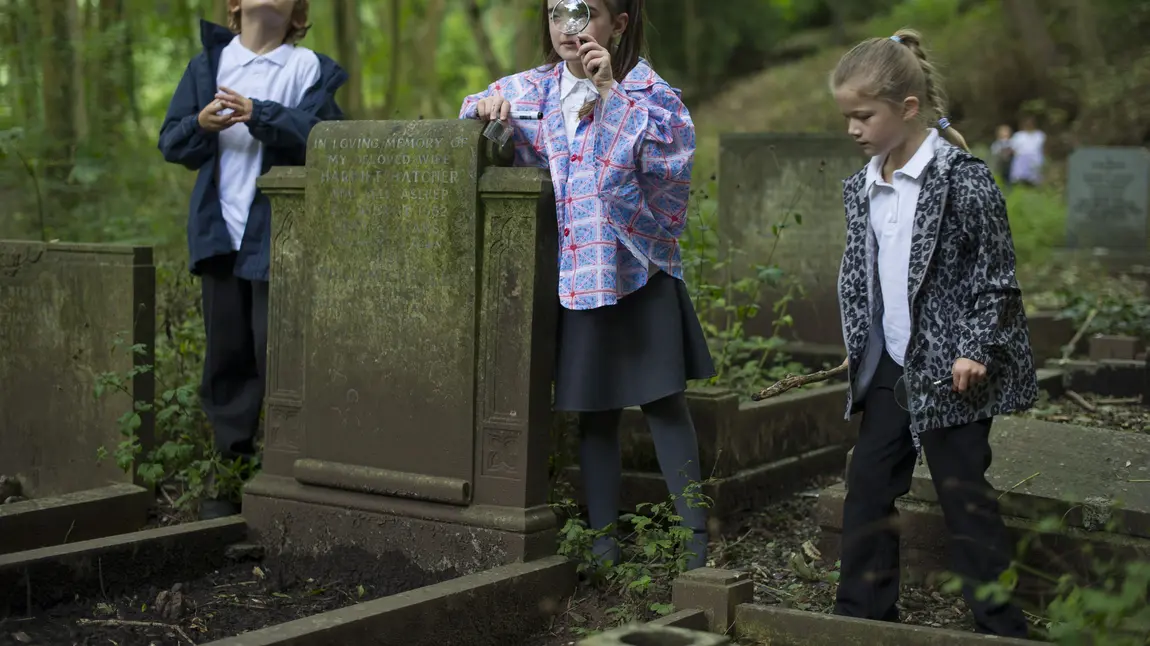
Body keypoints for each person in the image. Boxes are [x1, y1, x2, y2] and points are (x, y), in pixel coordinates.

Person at [459, 0, 714, 570]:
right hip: (576, 279)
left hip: (637, 270)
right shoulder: (536, 91)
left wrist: (609, 96)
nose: (567, 27)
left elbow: (668, 175)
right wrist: (485, 106)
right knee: (593, 410)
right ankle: (603, 547)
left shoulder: (650, 95)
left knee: (664, 402)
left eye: (585, 12)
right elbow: (473, 110)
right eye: (556, 13)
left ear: (618, 24)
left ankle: (696, 546)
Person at [829, 29, 1037, 637]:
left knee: (962, 495)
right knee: (867, 485)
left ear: (908, 108)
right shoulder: (863, 185)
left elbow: (996, 276)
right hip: (894, 366)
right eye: (847, 116)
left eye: (863, 115)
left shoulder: (962, 180)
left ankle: (1001, 626)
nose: (853, 129)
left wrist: (976, 348)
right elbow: (865, 273)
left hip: (953, 367)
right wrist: (861, 343)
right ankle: (861, 615)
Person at [158, 0, 346, 519]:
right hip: (221, 237)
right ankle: (228, 484)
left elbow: (327, 141)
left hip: (282, 242)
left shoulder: (308, 68)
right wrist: (201, 123)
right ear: (236, 4)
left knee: (282, 359)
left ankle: (291, 481)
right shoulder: (209, 67)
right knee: (226, 361)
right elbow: (172, 142)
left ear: (296, 9)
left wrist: (261, 114)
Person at [1008, 115, 1045, 187]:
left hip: (1035, 158)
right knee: (1020, 178)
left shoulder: (1039, 135)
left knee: (1034, 178)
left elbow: (1043, 148)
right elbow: (1013, 148)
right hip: (1021, 158)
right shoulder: (1019, 136)